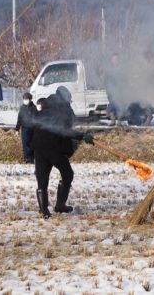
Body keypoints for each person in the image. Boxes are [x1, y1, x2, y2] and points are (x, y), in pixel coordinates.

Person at [30, 86, 93, 219]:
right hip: (54, 147)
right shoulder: (63, 108)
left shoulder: (46, 105)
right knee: (67, 173)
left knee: (42, 180)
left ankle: (43, 210)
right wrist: (82, 136)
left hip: (38, 146)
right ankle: (60, 205)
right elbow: (65, 131)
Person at [15, 92, 36, 164]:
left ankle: (31, 158)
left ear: (30, 99)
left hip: (32, 129)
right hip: (24, 128)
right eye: (24, 99)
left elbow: (37, 119)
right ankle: (26, 158)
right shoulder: (22, 108)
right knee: (24, 144)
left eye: (26, 99)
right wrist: (17, 129)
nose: (25, 100)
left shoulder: (33, 108)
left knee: (31, 144)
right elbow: (19, 119)